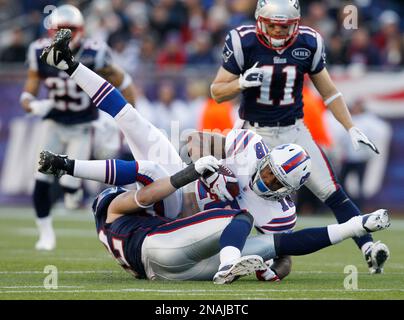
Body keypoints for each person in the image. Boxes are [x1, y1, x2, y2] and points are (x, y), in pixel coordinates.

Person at [38, 28, 390, 283]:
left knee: (189, 195)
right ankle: (68, 64)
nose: (264, 180)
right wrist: (200, 158)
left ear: (286, 193)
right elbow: (195, 139)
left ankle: (67, 168)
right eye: (268, 171)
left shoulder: (279, 215)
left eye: (273, 183)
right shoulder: (250, 148)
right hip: (180, 192)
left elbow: (281, 252)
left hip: (190, 231)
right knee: (134, 120)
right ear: (265, 159)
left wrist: (270, 269)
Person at [209, 0, 389, 274]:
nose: (278, 32)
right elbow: (216, 92)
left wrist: (350, 127)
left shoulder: (310, 41)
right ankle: (223, 253)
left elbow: (329, 92)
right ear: (259, 20)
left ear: (296, 24)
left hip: (294, 131)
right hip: (253, 132)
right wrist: (241, 82)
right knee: (236, 194)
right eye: (272, 25)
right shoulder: (242, 40)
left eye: (285, 26)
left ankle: (368, 246)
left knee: (332, 192)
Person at [20, 4, 136, 251]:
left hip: (84, 124)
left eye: (69, 30)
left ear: (81, 30)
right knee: (41, 177)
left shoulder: (95, 52)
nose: (63, 35)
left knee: (71, 178)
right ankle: (46, 233)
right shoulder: (38, 50)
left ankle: (72, 191)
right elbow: (29, 89)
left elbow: (124, 82)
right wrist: (32, 103)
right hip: (54, 122)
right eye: (58, 30)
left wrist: (128, 119)